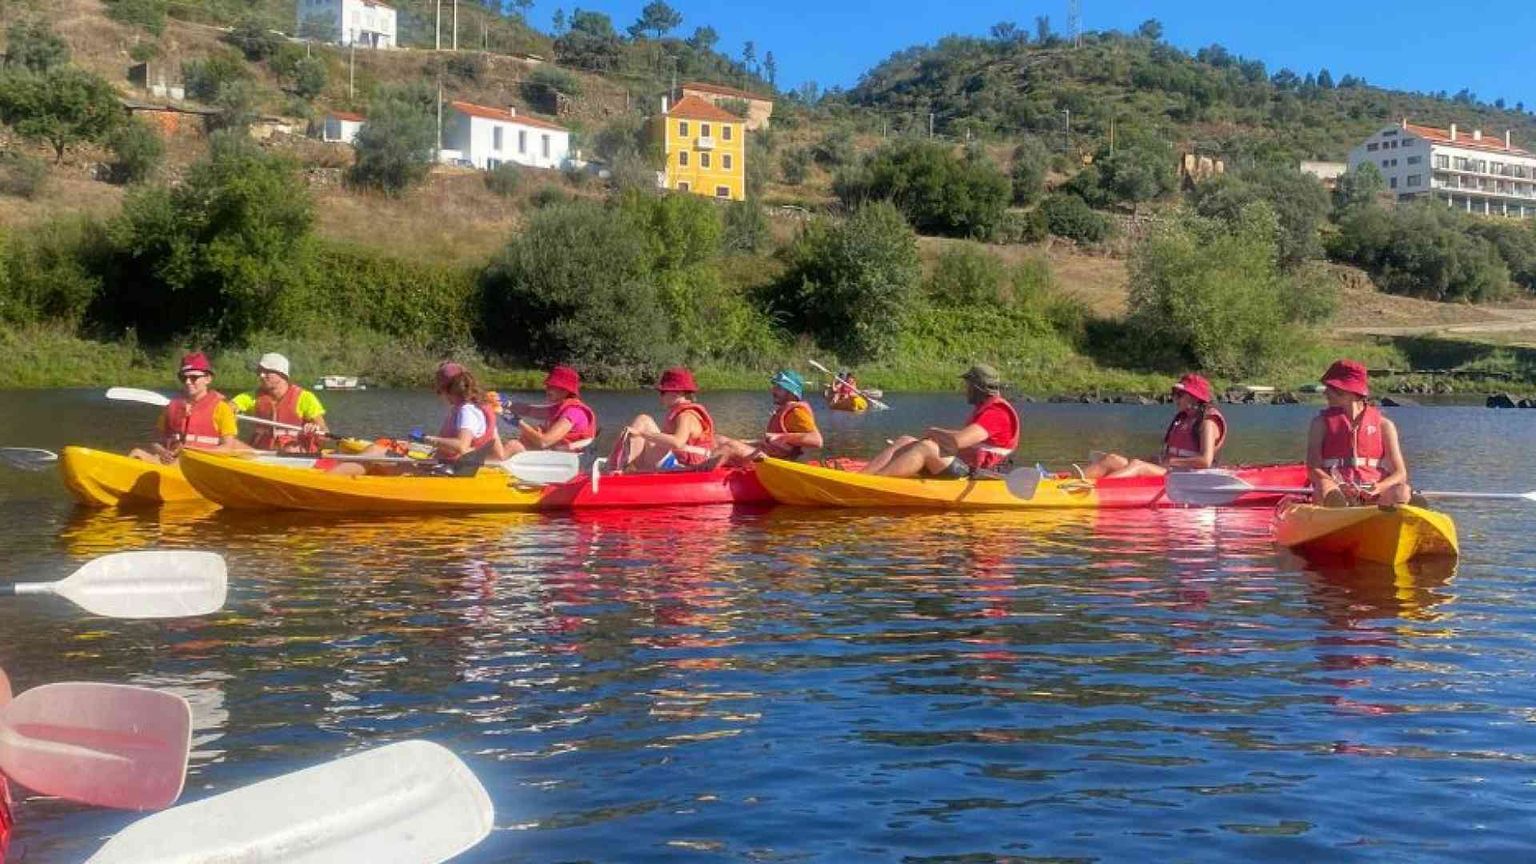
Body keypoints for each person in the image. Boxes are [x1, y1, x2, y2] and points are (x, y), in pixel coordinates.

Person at [330, 362, 501, 476]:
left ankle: (329, 481)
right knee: (382, 452)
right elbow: (496, 453)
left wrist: (425, 438)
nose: (440, 397)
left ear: (447, 390)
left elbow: (461, 446)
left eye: (439, 392)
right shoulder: (480, 407)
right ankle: (338, 477)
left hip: (443, 472)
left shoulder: (467, 411)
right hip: (446, 468)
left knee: (376, 452)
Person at [861, 364, 1019, 478]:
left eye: (968, 385)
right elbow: (968, 438)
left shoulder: (997, 413)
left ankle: (875, 483)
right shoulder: (988, 409)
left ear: (977, 388)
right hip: (967, 466)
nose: (965, 390)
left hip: (979, 472)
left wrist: (934, 433)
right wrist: (935, 435)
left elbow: (959, 441)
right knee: (906, 440)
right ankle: (862, 478)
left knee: (926, 447)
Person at [1078, 373, 1225, 480]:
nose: (1175, 398)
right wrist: (1158, 459)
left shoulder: (1208, 422)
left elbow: (1205, 461)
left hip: (1188, 476)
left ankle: (1097, 490)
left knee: (1138, 466)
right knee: (1113, 459)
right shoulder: (1184, 418)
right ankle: (1068, 484)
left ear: (1194, 397)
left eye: (1180, 394)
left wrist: (1171, 462)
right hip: (1173, 470)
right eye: (1174, 393)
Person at [1307, 359, 1413, 507]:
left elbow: (1400, 473)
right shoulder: (1320, 424)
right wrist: (1336, 485)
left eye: (1330, 388)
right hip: (1335, 489)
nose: (1325, 393)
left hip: (1373, 492)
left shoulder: (1385, 425)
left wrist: (1379, 488)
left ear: (1348, 391)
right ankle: (1336, 512)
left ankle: (1396, 517)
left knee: (1402, 491)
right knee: (1325, 487)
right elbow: (1313, 469)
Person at [129, 352, 243, 464]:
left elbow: (227, 448)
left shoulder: (222, 408)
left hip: (202, 467)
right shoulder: (171, 407)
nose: (188, 382)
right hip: (172, 464)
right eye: (184, 378)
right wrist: (163, 452)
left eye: (193, 377)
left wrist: (192, 453)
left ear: (208, 379)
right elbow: (155, 442)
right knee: (136, 453)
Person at [610, 367, 715, 472]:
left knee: (642, 422)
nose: (660, 397)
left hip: (686, 467)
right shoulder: (685, 413)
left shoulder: (686, 416)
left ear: (677, 393)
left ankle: (615, 471)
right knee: (644, 420)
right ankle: (619, 467)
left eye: (663, 392)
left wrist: (641, 433)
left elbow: (677, 442)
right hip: (679, 461)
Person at [711, 370, 824, 467]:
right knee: (718, 439)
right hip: (768, 455)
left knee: (730, 447)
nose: (773, 391)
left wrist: (781, 437)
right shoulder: (786, 410)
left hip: (776, 463)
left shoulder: (797, 412)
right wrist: (746, 442)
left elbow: (817, 440)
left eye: (779, 388)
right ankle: (705, 464)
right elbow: (772, 442)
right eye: (774, 386)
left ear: (791, 392)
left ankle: (700, 472)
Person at [229, 352, 328, 453]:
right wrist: (230, 412)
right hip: (262, 453)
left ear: (282, 374)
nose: (261, 375)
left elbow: (324, 431)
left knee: (290, 449)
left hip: (294, 453)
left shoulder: (305, 397)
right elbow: (229, 407)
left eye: (267, 372)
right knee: (230, 443)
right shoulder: (252, 396)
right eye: (260, 371)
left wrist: (314, 428)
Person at [499, 365, 597, 456]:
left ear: (565, 390)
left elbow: (544, 442)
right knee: (517, 443)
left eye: (552, 386)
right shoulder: (559, 407)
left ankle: (492, 466)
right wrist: (507, 404)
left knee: (513, 445)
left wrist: (518, 423)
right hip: (556, 457)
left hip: (567, 462)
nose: (547, 389)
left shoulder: (573, 412)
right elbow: (528, 410)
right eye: (548, 385)